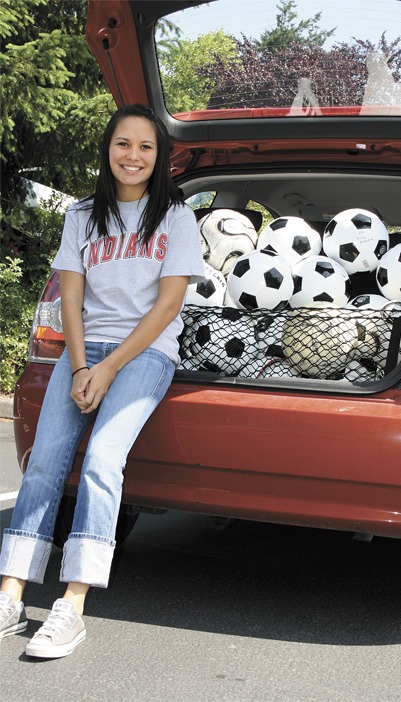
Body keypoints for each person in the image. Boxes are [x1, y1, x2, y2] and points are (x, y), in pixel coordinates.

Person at [0, 104, 205, 658]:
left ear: (160, 157)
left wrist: (108, 368)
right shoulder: (82, 215)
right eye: (123, 144)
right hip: (82, 350)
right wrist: (79, 362)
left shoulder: (176, 218)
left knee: (100, 462)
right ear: (107, 150)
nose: (132, 156)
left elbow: (167, 308)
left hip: (145, 354)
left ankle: (72, 603)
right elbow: (70, 295)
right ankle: (11, 591)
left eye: (145, 147)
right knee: (44, 461)